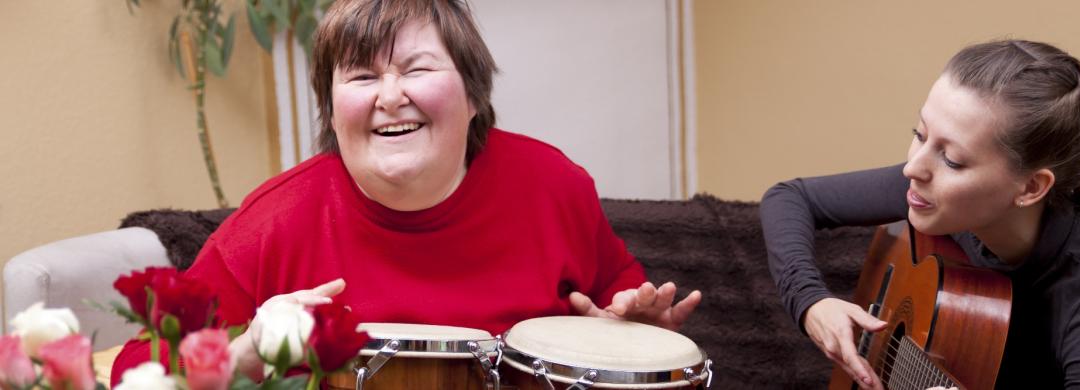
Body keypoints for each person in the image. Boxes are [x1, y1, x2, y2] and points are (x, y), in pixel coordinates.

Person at [111, 0, 701, 384]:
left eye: (416, 68)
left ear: (473, 97)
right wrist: (247, 353)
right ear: (333, 111)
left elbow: (620, 296)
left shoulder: (555, 186)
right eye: (362, 76)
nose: (389, 96)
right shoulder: (274, 221)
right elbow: (140, 369)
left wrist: (634, 324)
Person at [761, 40, 1080, 389]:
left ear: (1030, 188)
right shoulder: (937, 195)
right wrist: (811, 302)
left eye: (953, 160)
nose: (913, 169)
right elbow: (789, 198)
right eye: (919, 135)